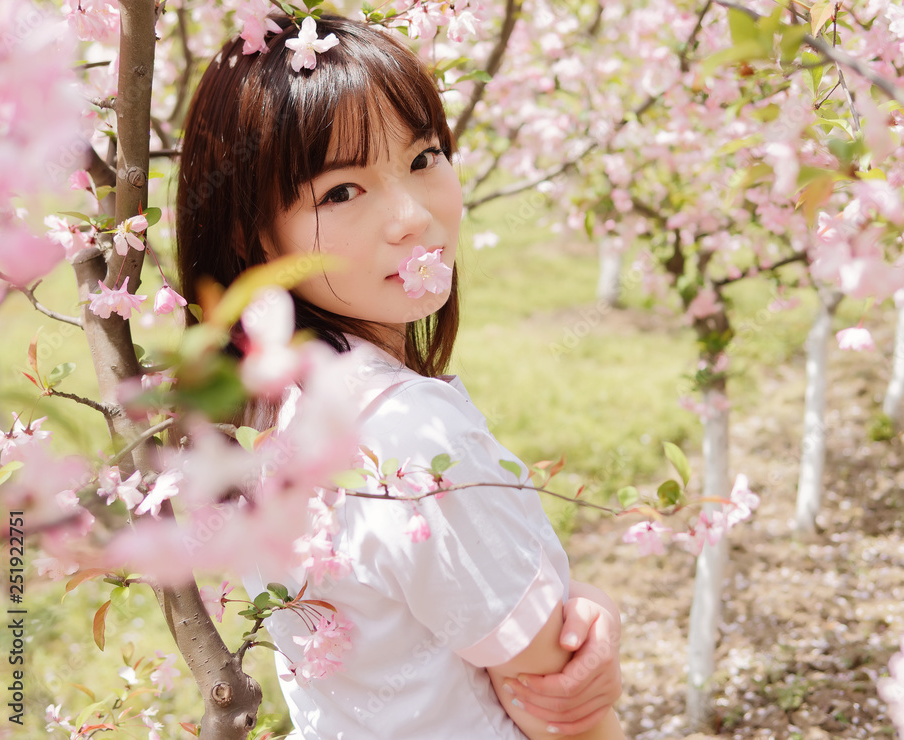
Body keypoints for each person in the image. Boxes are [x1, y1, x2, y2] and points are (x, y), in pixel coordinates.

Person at [176, 13, 624, 740]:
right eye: (341, 192)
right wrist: (595, 614)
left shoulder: (264, 411)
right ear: (252, 234)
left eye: (424, 156)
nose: (413, 217)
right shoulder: (407, 433)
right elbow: (558, 703)